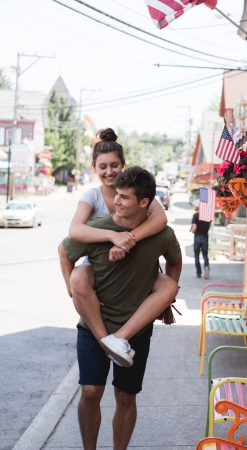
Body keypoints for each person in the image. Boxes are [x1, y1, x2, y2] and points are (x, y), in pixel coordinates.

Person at [59, 166, 182, 450]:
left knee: (126, 396)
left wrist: (167, 299)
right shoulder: (99, 229)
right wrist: (72, 287)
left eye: (125, 197)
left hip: (135, 330)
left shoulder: (161, 234)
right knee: (91, 391)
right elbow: (65, 252)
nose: (117, 201)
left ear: (144, 203)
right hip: (93, 326)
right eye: (117, 195)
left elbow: (175, 260)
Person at [66, 128, 177, 367]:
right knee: (78, 276)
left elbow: (160, 219)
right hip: (100, 267)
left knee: (169, 285)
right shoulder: (92, 197)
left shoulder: (135, 192)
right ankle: (106, 340)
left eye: (114, 165)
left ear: (123, 164)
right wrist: (111, 236)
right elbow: (74, 232)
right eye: (102, 166)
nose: (109, 172)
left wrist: (129, 239)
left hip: (136, 266)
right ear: (94, 167)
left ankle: (118, 339)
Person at [191, 200, 210, 279]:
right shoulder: (207, 215)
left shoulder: (196, 216)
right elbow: (209, 226)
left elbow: (194, 228)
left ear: (197, 206)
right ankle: (206, 266)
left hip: (197, 237)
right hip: (205, 237)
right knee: (205, 255)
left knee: (196, 256)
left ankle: (198, 273)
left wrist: (191, 230)